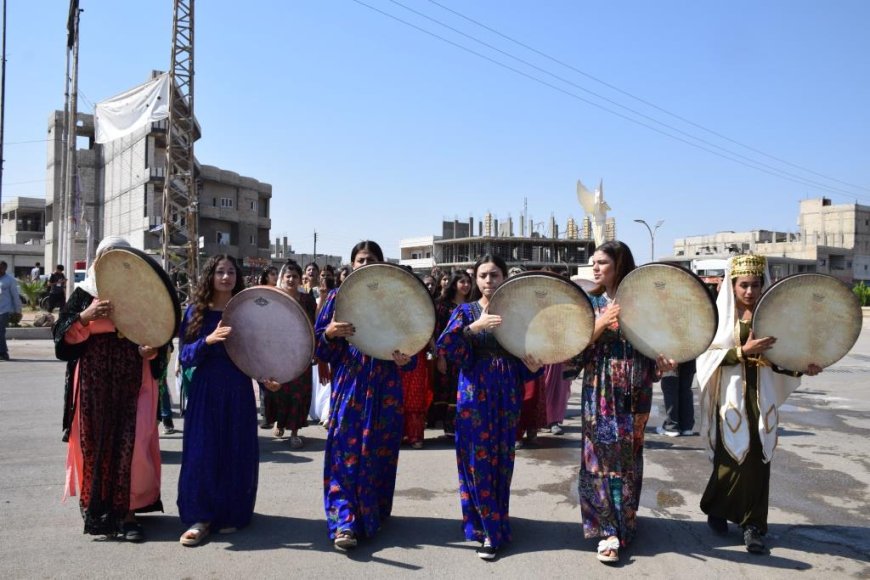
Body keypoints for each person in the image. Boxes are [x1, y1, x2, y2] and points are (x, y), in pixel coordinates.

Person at [697, 254, 821, 554]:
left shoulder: (772, 319)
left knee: (759, 462)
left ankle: (753, 526)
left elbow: (782, 359)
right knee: (730, 461)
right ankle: (718, 506)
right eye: (743, 286)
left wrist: (803, 367)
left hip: (762, 398)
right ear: (732, 286)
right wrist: (742, 351)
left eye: (755, 285)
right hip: (730, 398)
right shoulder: (719, 319)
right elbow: (705, 356)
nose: (750, 292)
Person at [54, 237, 167, 541]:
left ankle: (129, 512)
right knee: (95, 440)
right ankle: (99, 507)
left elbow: (159, 334)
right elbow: (60, 340)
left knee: (133, 440)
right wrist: (84, 317)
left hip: (134, 377)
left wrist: (151, 350)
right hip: (93, 380)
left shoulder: (143, 295)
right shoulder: (84, 294)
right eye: (108, 256)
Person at [436, 254, 543, 560]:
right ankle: (486, 529)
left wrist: (533, 365)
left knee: (501, 458)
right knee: (474, 457)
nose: (488, 281)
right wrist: (474, 328)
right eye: (482, 275)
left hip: (506, 393)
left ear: (505, 277)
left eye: (494, 275)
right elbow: (447, 347)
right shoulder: (464, 311)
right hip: (473, 392)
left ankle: (495, 519)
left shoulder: (516, 313)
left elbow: (528, 355)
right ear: (475, 279)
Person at [576, 241, 675, 564]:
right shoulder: (589, 301)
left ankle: (625, 521)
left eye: (602, 262)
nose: (595, 268)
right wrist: (602, 323)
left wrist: (663, 363)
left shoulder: (643, 303)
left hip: (636, 388)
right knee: (600, 458)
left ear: (620, 264)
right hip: (599, 387)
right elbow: (571, 344)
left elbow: (656, 344)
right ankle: (607, 530)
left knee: (629, 457)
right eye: (594, 262)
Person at [314, 240, 414, 551]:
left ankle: (372, 513)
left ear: (380, 263)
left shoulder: (396, 302)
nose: (365, 262)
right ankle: (344, 521)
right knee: (346, 450)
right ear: (352, 264)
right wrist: (329, 334)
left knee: (379, 450)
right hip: (351, 385)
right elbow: (318, 346)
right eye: (360, 259)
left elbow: (413, 344)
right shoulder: (337, 299)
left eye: (371, 258)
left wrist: (405, 359)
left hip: (386, 387)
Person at [177, 255, 258, 547]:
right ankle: (200, 517)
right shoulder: (195, 311)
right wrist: (208, 341)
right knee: (203, 451)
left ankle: (230, 513)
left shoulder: (245, 312)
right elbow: (185, 356)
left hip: (238, 389)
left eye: (231, 272)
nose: (226, 277)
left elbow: (255, 353)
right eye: (220, 272)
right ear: (210, 276)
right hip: (206, 389)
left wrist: (267, 378)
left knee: (235, 451)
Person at [262, 260, 316, 449]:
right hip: (278, 352)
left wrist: (312, 350)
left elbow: (312, 325)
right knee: (278, 390)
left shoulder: (307, 299)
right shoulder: (274, 297)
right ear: (282, 278)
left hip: (301, 353)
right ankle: (279, 421)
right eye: (288, 276)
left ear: (300, 279)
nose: (291, 279)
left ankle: (294, 432)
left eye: (295, 276)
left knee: (298, 393)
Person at [428, 270, 472, 435]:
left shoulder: (472, 306)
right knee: (447, 390)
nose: (466, 285)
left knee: (463, 390)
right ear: (454, 284)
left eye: (468, 281)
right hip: (447, 356)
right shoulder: (442, 305)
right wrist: (440, 356)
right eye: (462, 282)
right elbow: (437, 332)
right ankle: (449, 428)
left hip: (466, 356)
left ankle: (462, 426)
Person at [256, 266, 279, 429]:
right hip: (259, 341)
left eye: (277, 273)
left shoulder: (280, 293)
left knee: (275, 379)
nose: (275, 276)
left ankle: (274, 415)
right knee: (261, 379)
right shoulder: (258, 292)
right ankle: (266, 414)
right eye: (272, 274)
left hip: (276, 341)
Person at [656, 361, 696, 436]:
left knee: (670, 386)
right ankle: (686, 426)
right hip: (689, 354)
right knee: (685, 388)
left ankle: (671, 426)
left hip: (672, 354)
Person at [0, 260, 23, 361]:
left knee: (0, 331)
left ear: (4, 268)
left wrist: (18, 310)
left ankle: (4, 353)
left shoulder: (10, 280)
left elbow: (15, 295)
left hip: (4, 310)